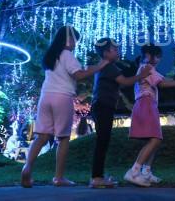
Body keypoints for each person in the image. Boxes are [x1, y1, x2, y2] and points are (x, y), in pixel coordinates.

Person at [21, 26, 109, 188]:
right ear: (68, 39)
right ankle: (59, 177)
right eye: (75, 39)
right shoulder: (67, 55)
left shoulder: (51, 55)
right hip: (62, 97)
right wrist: (98, 67)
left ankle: (27, 168)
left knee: (41, 137)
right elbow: (79, 75)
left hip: (45, 97)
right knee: (63, 138)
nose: (76, 43)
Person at [90, 38, 152, 188]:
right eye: (115, 49)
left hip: (102, 106)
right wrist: (142, 74)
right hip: (103, 106)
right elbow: (125, 81)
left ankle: (98, 176)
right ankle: (96, 178)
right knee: (102, 142)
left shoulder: (106, 67)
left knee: (102, 141)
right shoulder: (109, 67)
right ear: (106, 53)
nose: (118, 52)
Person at [124, 44, 175, 187]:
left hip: (146, 103)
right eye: (156, 56)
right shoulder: (147, 68)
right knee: (155, 139)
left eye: (159, 56)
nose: (158, 59)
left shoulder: (144, 68)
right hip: (146, 103)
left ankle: (146, 172)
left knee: (154, 140)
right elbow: (163, 83)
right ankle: (134, 171)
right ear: (147, 55)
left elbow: (161, 80)